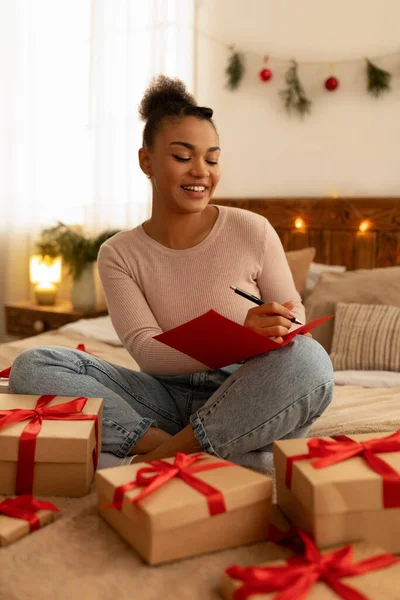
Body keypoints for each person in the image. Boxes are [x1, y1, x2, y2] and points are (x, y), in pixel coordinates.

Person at [9, 75, 334, 472]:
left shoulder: (253, 229)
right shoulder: (118, 253)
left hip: (249, 390)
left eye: (212, 159)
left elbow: (295, 315)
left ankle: (155, 460)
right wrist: (237, 338)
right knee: (33, 364)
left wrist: (281, 326)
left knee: (311, 360)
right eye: (183, 157)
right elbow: (148, 352)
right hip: (161, 398)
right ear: (146, 160)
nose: (202, 171)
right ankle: (194, 448)